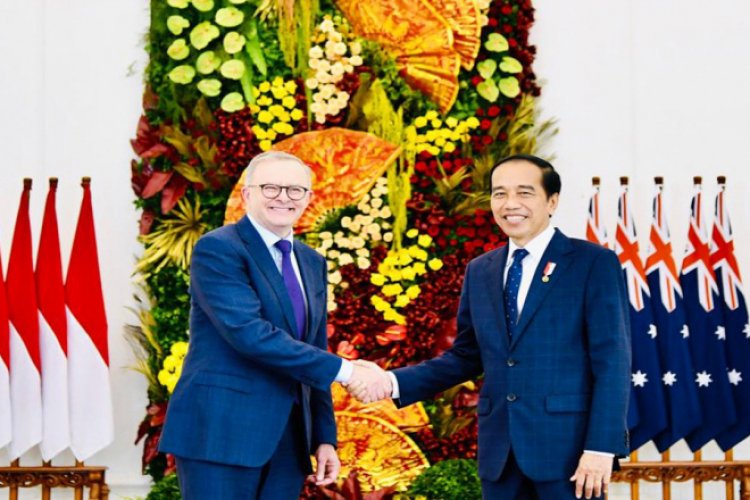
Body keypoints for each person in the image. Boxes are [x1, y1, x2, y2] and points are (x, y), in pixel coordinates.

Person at [349, 154, 631, 500]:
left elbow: (612, 361)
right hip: (500, 457)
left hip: (570, 455)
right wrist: (390, 382)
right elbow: (465, 357)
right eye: (500, 193)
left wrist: (601, 447)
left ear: (552, 201)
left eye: (524, 192)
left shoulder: (592, 263)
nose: (510, 204)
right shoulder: (481, 270)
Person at [159, 151, 390, 499]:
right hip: (221, 433)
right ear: (246, 194)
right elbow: (250, 334)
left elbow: (313, 348)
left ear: (308, 198)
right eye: (271, 187)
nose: (283, 197)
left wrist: (324, 438)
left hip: (289, 440)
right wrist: (349, 372)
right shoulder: (218, 249)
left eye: (295, 190)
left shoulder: (311, 261)